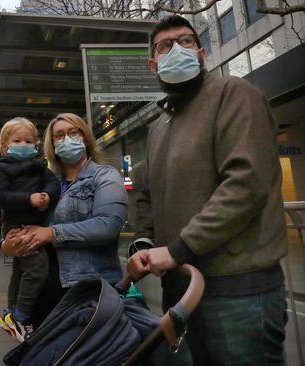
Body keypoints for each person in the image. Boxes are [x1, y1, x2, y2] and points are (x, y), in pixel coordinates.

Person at [126, 15, 288, 366]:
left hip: (239, 293)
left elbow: (246, 184)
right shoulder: (158, 127)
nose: (177, 50)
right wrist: (143, 243)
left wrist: (182, 247)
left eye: (185, 41)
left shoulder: (235, 94)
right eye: (165, 45)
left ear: (200, 52)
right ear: (153, 63)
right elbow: (146, 194)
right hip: (180, 292)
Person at [0, 113, 128, 341]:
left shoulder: (104, 176)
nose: (66, 139)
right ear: (52, 144)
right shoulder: (43, 183)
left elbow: (108, 225)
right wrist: (8, 245)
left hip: (85, 294)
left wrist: (51, 233)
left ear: (85, 137)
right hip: (42, 295)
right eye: (59, 135)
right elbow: (17, 220)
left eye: (73, 132)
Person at [0, 117, 61, 342]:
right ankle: (20, 315)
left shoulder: (41, 167)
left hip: (35, 225)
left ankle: (12, 313)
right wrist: (29, 199)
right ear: (4, 145)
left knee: (20, 271)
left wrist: (48, 195)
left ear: (37, 144)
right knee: (38, 268)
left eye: (28, 140)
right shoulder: (1, 168)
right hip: (17, 227)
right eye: (17, 140)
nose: (23, 144)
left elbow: (53, 184)